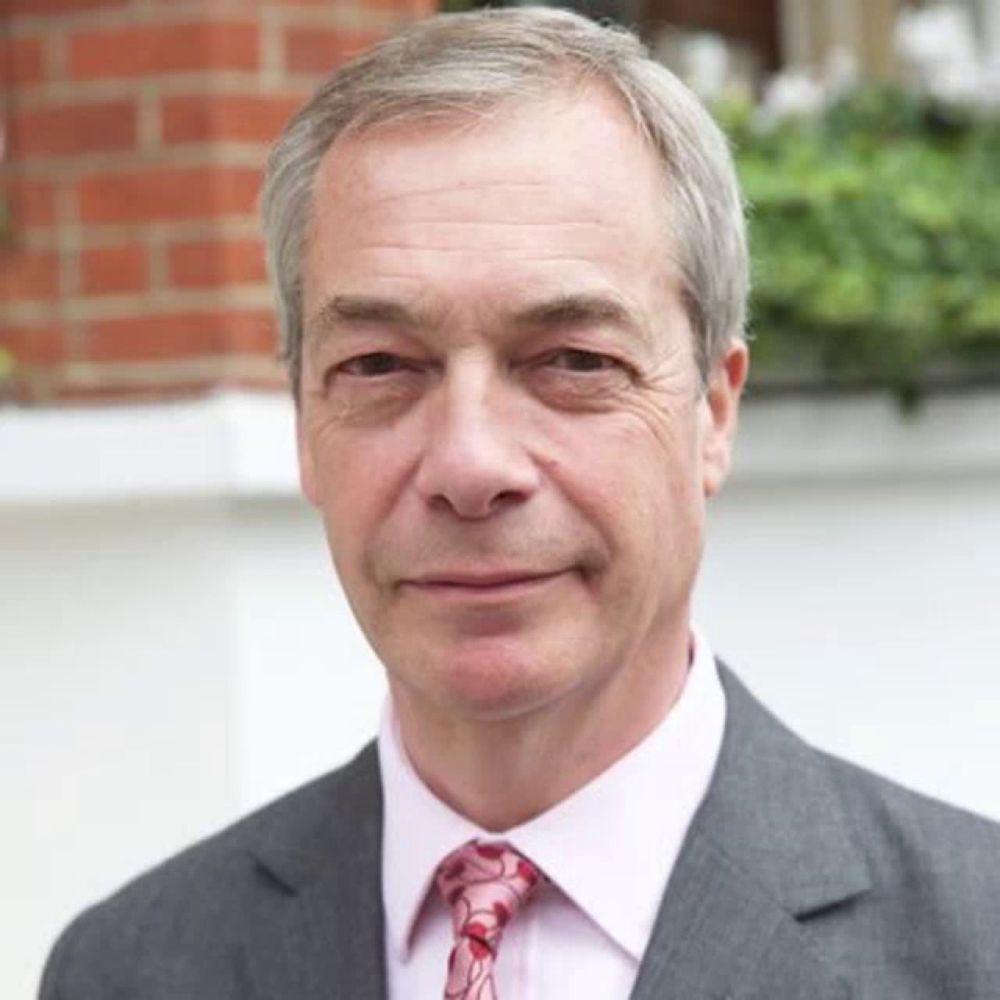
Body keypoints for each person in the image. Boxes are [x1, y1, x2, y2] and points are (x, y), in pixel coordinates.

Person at [40, 8, 1000, 999]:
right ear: (302, 426)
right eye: (379, 365)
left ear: (712, 412)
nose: (469, 461)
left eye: (573, 362)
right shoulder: (131, 967)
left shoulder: (972, 948)